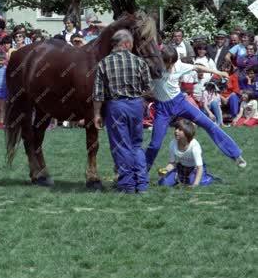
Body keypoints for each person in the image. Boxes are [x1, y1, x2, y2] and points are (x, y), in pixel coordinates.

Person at [144, 46, 246, 170]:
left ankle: (235, 155)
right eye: (167, 63)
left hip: (180, 103)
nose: (171, 66)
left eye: (172, 63)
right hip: (162, 109)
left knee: (210, 125)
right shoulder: (152, 67)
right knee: (155, 145)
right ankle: (141, 171)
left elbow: (198, 67)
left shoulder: (179, 65)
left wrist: (218, 72)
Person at [93, 29, 152, 193]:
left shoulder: (104, 63)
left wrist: (97, 113)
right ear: (126, 44)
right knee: (136, 145)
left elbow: (98, 93)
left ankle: (127, 184)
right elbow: (148, 88)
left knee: (121, 146)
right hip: (136, 105)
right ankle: (142, 183)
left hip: (116, 106)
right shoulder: (139, 62)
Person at [157, 119, 215, 187]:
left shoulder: (194, 146)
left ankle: (208, 177)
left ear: (187, 132)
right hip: (181, 167)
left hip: (195, 168)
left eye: (180, 129)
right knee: (163, 183)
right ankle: (179, 178)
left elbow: (200, 167)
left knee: (195, 182)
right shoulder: (173, 143)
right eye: (176, 128)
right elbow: (172, 163)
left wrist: (195, 185)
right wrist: (164, 171)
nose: (176, 131)